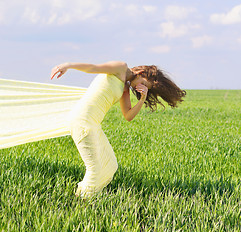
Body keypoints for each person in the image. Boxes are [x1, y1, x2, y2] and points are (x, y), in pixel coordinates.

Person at [50, 61, 186, 198]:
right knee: (95, 169)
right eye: (144, 83)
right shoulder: (120, 67)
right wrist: (67, 65)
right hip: (82, 121)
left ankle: (88, 196)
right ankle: (80, 201)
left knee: (111, 165)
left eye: (145, 88)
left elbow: (128, 115)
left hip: (94, 124)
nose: (141, 87)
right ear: (141, 73)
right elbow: (93, 67)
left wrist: (142, 99)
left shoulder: (125, 87)